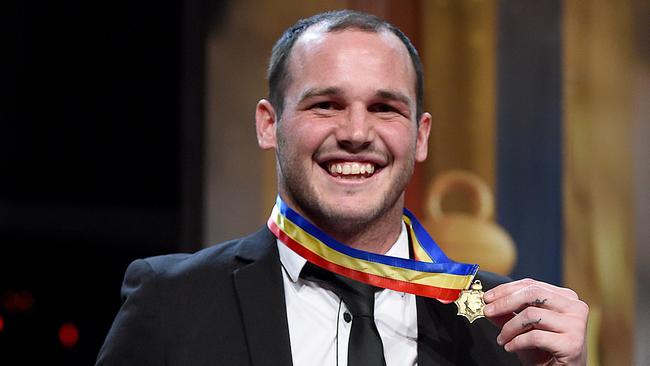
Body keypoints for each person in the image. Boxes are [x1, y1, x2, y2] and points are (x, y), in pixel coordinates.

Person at [96, 10, 588, 366]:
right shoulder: (172, 302)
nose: (356, 133)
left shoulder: (505, 323)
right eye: (326, 104)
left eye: (384, 108)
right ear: (269, 125)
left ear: (420, 137)